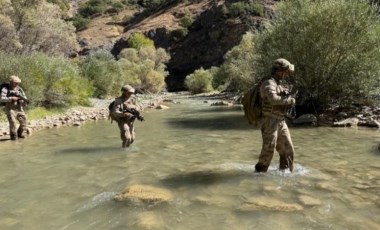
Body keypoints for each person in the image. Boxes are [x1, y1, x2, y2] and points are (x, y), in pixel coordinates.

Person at [255, 58, 296, 173]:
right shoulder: (268, 83)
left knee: (288, 150)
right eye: (285, 71)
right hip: (269, 121)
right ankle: (259, 174)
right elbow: (273, 100)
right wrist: (290, 100)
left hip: (281, 121)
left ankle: (286, 174)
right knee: (268, 151)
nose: (286, 74)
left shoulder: (279, 84)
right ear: (279, 70)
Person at [0, 75, 28, 140]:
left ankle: (19, 134)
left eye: (18, 82)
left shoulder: (20, 89)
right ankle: (13, 137)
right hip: (10, 109)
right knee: (13, 123)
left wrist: (22, 100)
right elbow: (2, 98)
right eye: (15, 82)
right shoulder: (5, 89)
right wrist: (11, 98)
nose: (17, 84)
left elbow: (25, 97)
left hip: (19, 109)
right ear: (11, 82)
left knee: (24, 122)